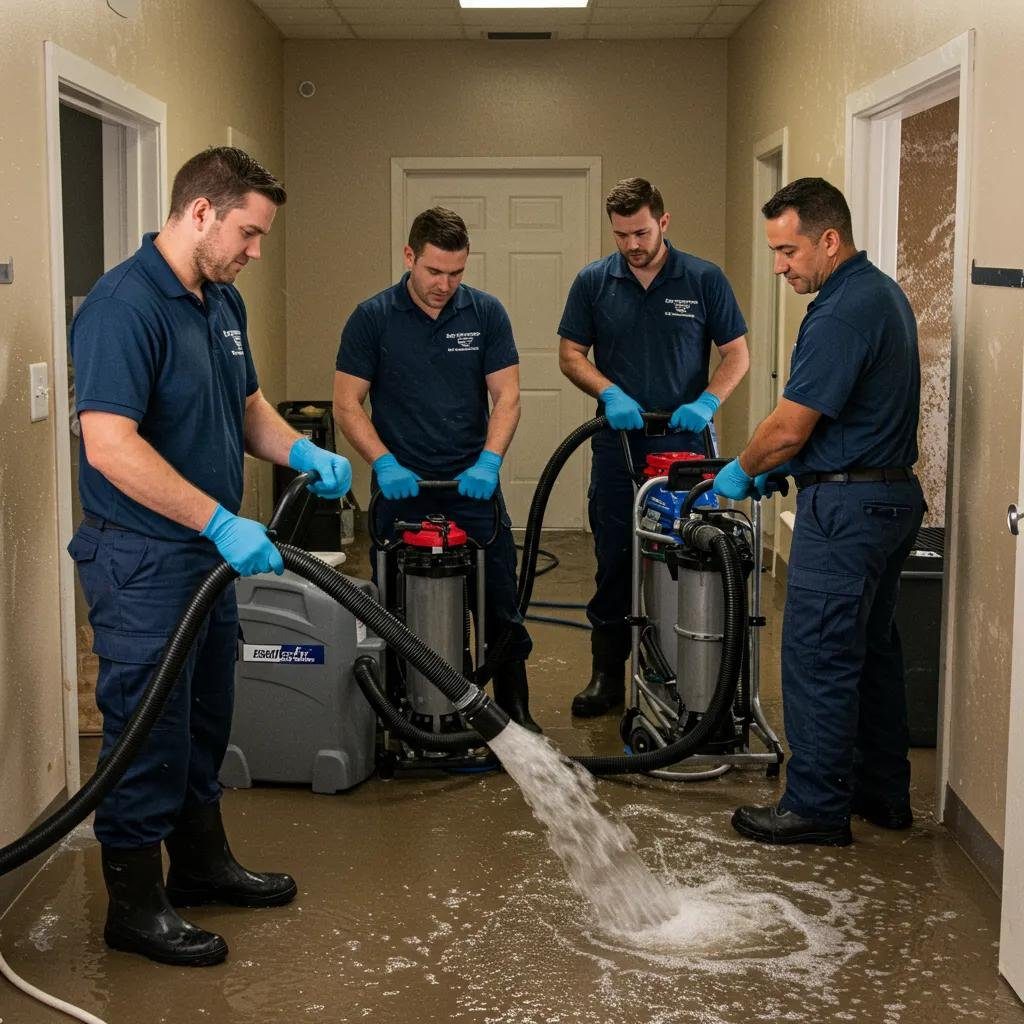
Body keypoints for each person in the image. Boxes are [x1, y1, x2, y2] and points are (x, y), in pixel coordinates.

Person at [68, 147, 352, 966]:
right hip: (146, 561)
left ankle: (198, 865)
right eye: (249, 233)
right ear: (200, 213)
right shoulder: (124, 307)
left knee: (204, 720)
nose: (256, 252)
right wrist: (220, 520)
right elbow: (109, 446)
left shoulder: (219, 300)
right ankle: (135, 904)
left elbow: (247, 403)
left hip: (204, 560)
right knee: (147, 731)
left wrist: (300, 453)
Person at [714, 177, 925, 846]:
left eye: (788, 250)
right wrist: (792, 470)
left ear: (829, 240)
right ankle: (882, 793)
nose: (780, 266)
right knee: (871, 650)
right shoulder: (880, 293)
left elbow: (789, 426)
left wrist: (743, 468)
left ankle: (814, 807)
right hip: (888, 498)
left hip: (848, 510)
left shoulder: (839, 312)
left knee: (817, 653)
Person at [333, 207, 539, 733]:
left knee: (499, 607)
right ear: (409, 257)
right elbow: (347, 404)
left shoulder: (485, 314)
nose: (444, 285)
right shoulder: (372, 317)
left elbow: (507, 397)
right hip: (402, 492)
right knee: (396, 611)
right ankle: (400, 713)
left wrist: (490, 461)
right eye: (433, 271)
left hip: (471, 489)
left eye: (456, 273)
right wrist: (383, 462)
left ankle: (515, 714)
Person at [558, 177, 749, 716]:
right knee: (614, 557)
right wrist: (607, 390)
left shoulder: (704, 279)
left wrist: (709, 402)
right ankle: (607, 676)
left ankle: (686, 672)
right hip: (618, 442)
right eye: (621, 235)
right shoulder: (594, 281)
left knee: (686, 555)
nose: (632, 245)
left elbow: (736, 355)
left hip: (686, 447)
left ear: (663, 222)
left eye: (640, 232)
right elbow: (571, 354)